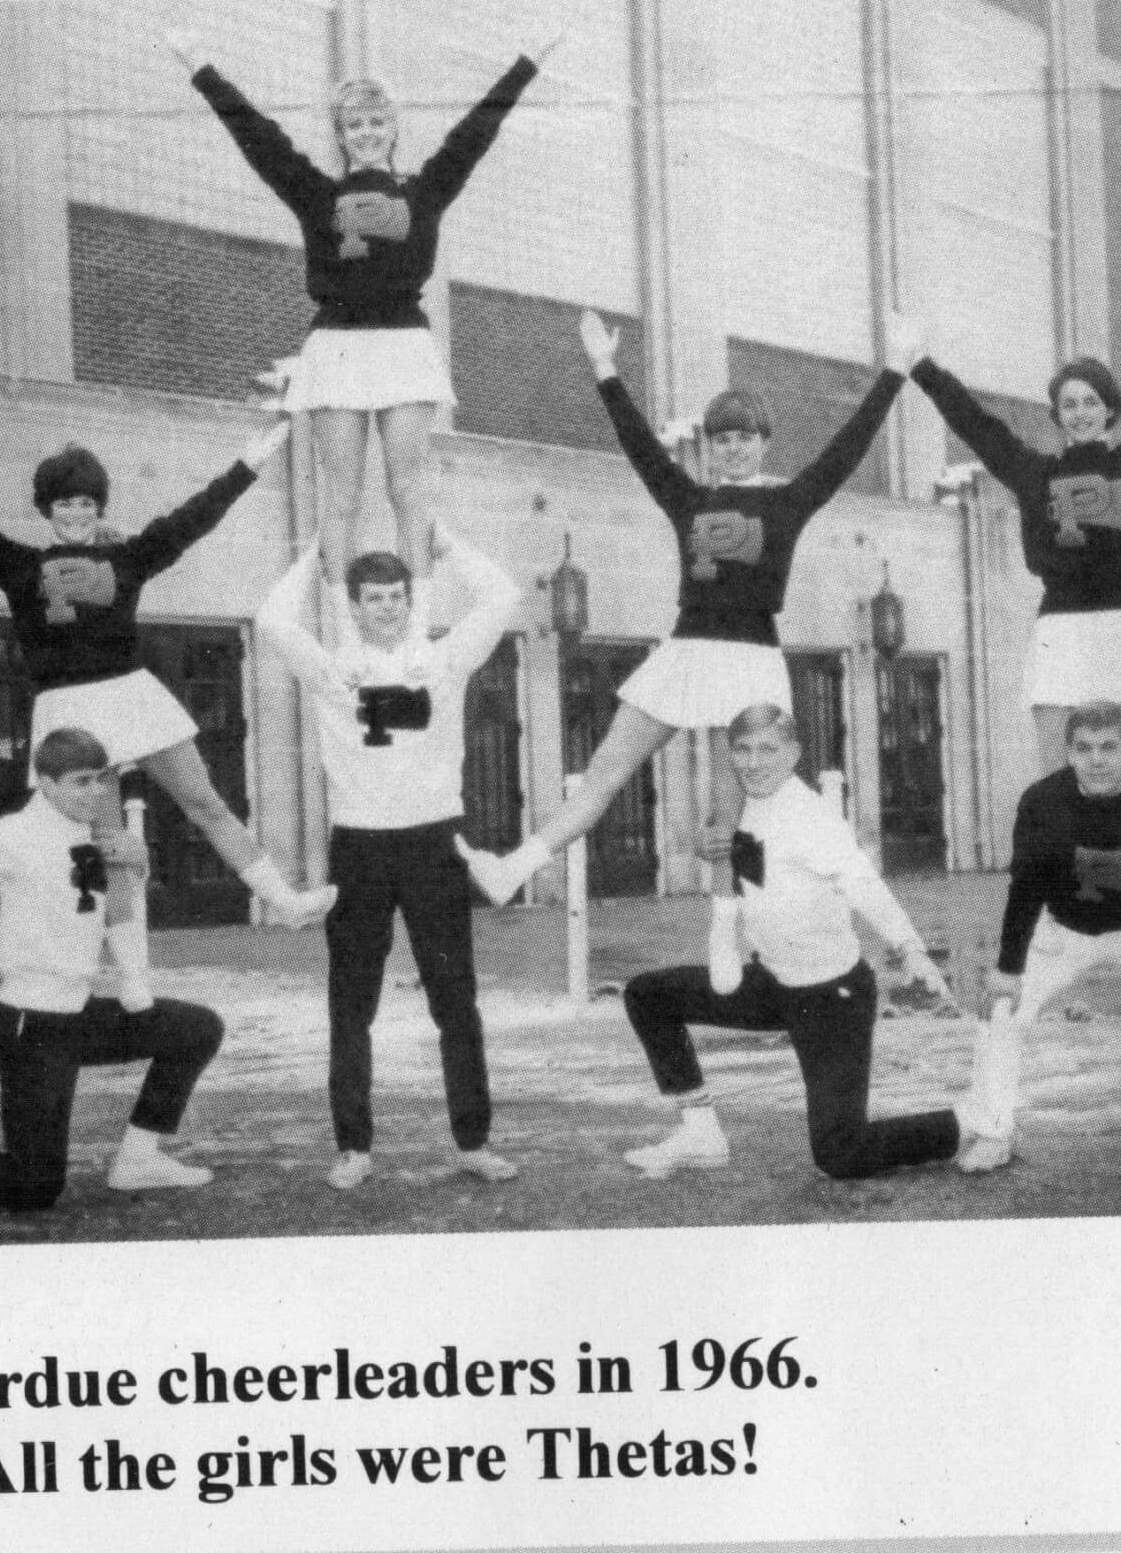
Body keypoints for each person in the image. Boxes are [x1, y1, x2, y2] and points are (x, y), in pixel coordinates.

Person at [458, 310, 922, 974]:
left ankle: (727, 934)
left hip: (751, 663)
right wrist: (605, 368)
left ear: (763, 443)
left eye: (745, 437)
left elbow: (849, 445)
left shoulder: (789, 501)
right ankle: (513, 868)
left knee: (729, 816)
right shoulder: (687, 499)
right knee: (604, 771)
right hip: (686, 652)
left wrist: (897, 368)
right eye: (721, 437)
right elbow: (641, 446)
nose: (733, 447)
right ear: (710, 446)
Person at [0, 421, 334, 1013]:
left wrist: (248, 464)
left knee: (205, 801)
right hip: (71, 709)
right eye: (64, 503)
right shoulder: (19, 566)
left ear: (98, 505)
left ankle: (283, 900)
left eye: (86, 502)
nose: (76, 513)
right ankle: (133, 977)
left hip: (132, 696)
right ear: (47, 509)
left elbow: (192, 520)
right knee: (108, 845)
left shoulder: (129, 559)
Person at [169, 32, 560, 645]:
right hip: (338, 347)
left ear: (393, 128)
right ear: (341, 133)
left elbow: (475, 131)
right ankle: (341, 629)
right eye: (355, 124)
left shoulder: (425, 191)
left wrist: (528, 64)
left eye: (378, 121)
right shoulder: (318, 195)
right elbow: (257, 137)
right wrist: (200, 67)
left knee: (408, 487)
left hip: (404, 345)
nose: (368, 132)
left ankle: (416, 624)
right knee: (342, 491)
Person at [0, 728, 226, 1211]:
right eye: (80, 781)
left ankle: (139, 1158)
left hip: (79, 1013)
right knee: (33, 1184)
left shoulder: (98, 837)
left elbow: (116, 910)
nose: (95, 791)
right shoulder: (19, 835)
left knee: (196, 1028)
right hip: (31, 1027)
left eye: (101, 780)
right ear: (46, 784)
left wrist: (140, 865)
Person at [255, 518, 521, 1189]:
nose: (387, 607)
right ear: (354, 605)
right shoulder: (331, 667)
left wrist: (448, 543)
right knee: (352, 1002)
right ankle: (354, 1146)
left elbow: (503, 597)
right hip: (361, 845)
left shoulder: (443, 657)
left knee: (454, 999)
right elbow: (270, 620)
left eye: (397, 595)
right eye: (374, 597)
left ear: (411, 598)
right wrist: (313, 554)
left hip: (433, 839)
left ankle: (473, 1139)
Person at [618, 703, 960, 1181]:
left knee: (841, 1153)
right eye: (742, 749)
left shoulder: (811, 817)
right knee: (648, 995)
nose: (753, 762)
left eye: (767, 749)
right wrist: (709, 848)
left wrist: (912, 949)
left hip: (831, 999)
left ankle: (967, 1126)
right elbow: (754, 871)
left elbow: (864, 884)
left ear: (793, 753)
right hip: (773, 984)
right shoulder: (743, 803)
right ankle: (701, 1132)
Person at [909, 352, 1121, 774]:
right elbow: (978, 427)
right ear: (1057, 415)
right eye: (1069, 404)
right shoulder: (1036, 474)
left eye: (1091, 402)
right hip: (1060, 632)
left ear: (1110, 409)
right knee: (1058, 772)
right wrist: (921, 366)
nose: (1080, 413)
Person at [960, 702, 1121, 1171]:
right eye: (1084, 748)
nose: (1097, 759)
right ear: (1068, 752)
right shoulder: (1042, 801)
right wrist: (1008, 969)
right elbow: (1026, 886)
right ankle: (993, 1131)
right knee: (1002, 1012)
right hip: (1063, 930)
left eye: (1110, 747)